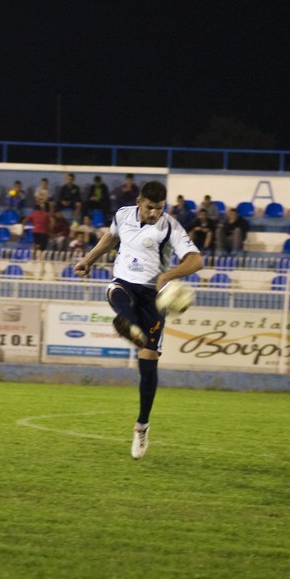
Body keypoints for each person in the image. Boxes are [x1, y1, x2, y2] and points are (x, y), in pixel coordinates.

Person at [73, 180, 203, 459]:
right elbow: (111, 238)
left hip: (153, 297)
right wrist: (88, 260)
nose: (154, 213)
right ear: (139, 201)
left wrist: (169, 275)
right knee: (115, 291)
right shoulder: (122, 214)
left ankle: (142, 426)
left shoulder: (170, 227)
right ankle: (128, 323)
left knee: (148, 361)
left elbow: (196, 260)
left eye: (159, 208)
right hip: (125, 283)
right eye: (149, 207)